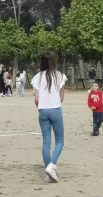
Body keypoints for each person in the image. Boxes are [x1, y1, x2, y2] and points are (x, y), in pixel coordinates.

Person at [32, 52, 65, 183]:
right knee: (59, 141)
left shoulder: (37, 77)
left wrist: (41, 107)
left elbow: (36, 98)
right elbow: (62, 97)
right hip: (55, 109)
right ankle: (52, 166)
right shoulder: (60, 76)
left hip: (43, 111)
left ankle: (47, 171)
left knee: (46, 143)